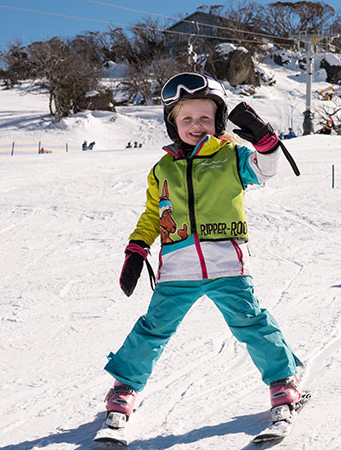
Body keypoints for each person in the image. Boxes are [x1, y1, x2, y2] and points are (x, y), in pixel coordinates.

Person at [101, 72, 303, 432]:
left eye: (205, 118)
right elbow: (153, 214)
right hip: (177, 270)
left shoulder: (232, 156)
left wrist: (265, 142)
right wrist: (137, 249)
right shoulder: (162, 168)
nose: (196, 125)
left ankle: (283, 380)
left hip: (228, 266)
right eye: (187, 118)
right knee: (153, 329)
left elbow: (266, 171)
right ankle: (124, 387)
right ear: (172, 123)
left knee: (252, 324)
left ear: (219, 120)